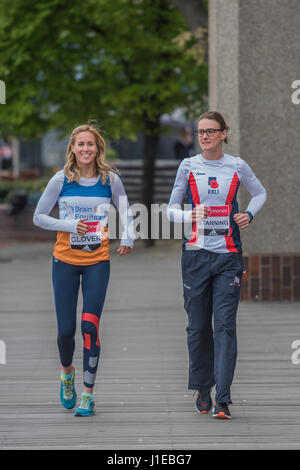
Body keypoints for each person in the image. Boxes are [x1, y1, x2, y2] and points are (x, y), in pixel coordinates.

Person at [167, 111, 266, 419]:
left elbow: (260, 193)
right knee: (197, 327)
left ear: (224, 133)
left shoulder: (237, 166)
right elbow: (171, 210)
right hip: (195, 256)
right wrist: (189, 216)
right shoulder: (188, 166)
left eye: (211, 131)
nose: (205, 136)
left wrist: (248, 214)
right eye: (200, 131)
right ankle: (203, 388)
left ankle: (222, 397)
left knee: (224, 326)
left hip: (228, 258)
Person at [33, 123, 134, 417]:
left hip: (97, 263)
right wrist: (68, 225)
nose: (86, 149)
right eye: (81, 144)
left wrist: (127, 237)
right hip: (64, 261)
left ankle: (88, 394)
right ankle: (67, 374)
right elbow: (39, 217)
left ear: (98, 148)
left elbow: (126, 211)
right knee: (66, 330)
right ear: (73, 149)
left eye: (91, 144)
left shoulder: (110, 180)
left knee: (90, 326)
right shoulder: (60, 180)